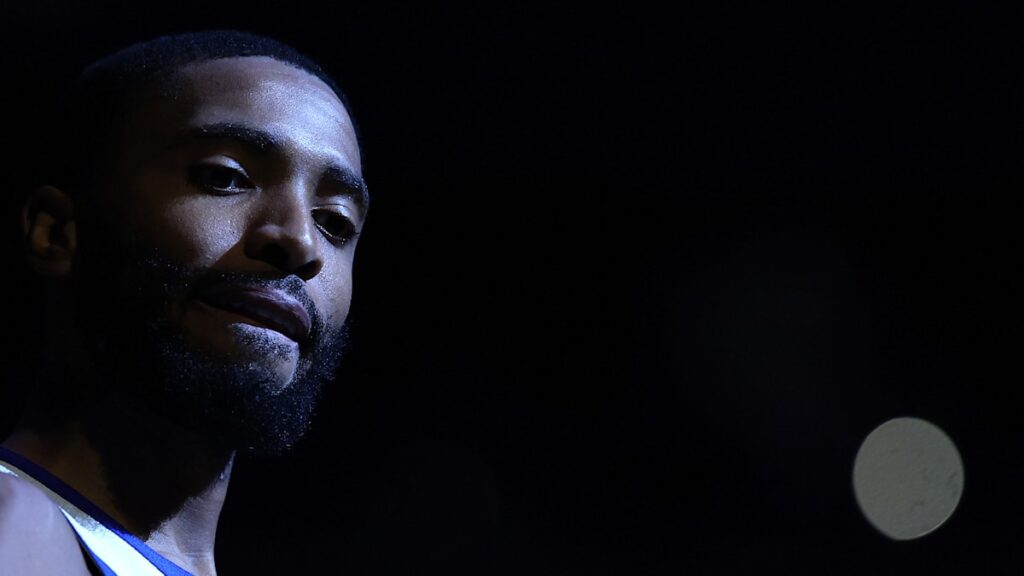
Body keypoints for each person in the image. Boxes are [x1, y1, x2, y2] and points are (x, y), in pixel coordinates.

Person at [0, 29, 368, 575]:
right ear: (57, 233)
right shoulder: (14, 527)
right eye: (224, 178)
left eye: (335, 222)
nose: (300, 241)